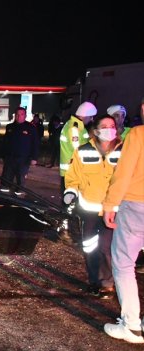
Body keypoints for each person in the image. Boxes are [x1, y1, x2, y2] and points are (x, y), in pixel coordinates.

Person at [63, 115, 122, 299]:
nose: (109, 129)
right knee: (89, 246)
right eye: (104, 126)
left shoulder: (123, 151)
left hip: (112, 210)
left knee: (106, 247)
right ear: (96, 131)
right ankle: (93, 280)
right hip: (89, 209)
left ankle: (107, 283)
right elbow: (73, 177)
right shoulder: (82, 151)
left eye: (112, 126)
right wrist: (70, 192)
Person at [101, 125, 144, 343]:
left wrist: (110, 204)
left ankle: (132, 327)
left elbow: (124, 171)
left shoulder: (138, 134)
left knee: (124, 264)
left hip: (138, 205)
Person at [0, 107, 39, 195]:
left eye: (21, 114)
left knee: (21, 182)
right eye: (17, 114)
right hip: (10, 158)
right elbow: (5, 143)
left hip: (23, 159)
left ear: (25, 116)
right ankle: (4, 199)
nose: (19, 116)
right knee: (6, 181)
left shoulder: (30, 128)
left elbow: (35, 144)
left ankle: (20, 200)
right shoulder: (10, 127)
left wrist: (34, 158)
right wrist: (1, 155)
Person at [60, 101, 96, 192]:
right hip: (72, 171)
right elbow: (78, 149)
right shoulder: (74, 128)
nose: (92, 119)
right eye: (91, 117)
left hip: (72, 169)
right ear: (84, 115)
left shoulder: (78, 127)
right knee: (70, 200)